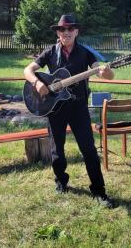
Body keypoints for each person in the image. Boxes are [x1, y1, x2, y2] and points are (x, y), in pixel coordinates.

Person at [24, 14, 115, 208]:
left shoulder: (85, 53)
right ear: (58, 33)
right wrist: (37, 83)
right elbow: (28, 70)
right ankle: (61, 181)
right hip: (54, 108)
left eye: (70, 29)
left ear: (76, 32)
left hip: (78, 108)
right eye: (62, 29)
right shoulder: (50, 52)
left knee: (89, 150)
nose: (66, 32)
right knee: (57, 149)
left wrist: (106, 71)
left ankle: (99, 191)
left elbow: (106, 75)